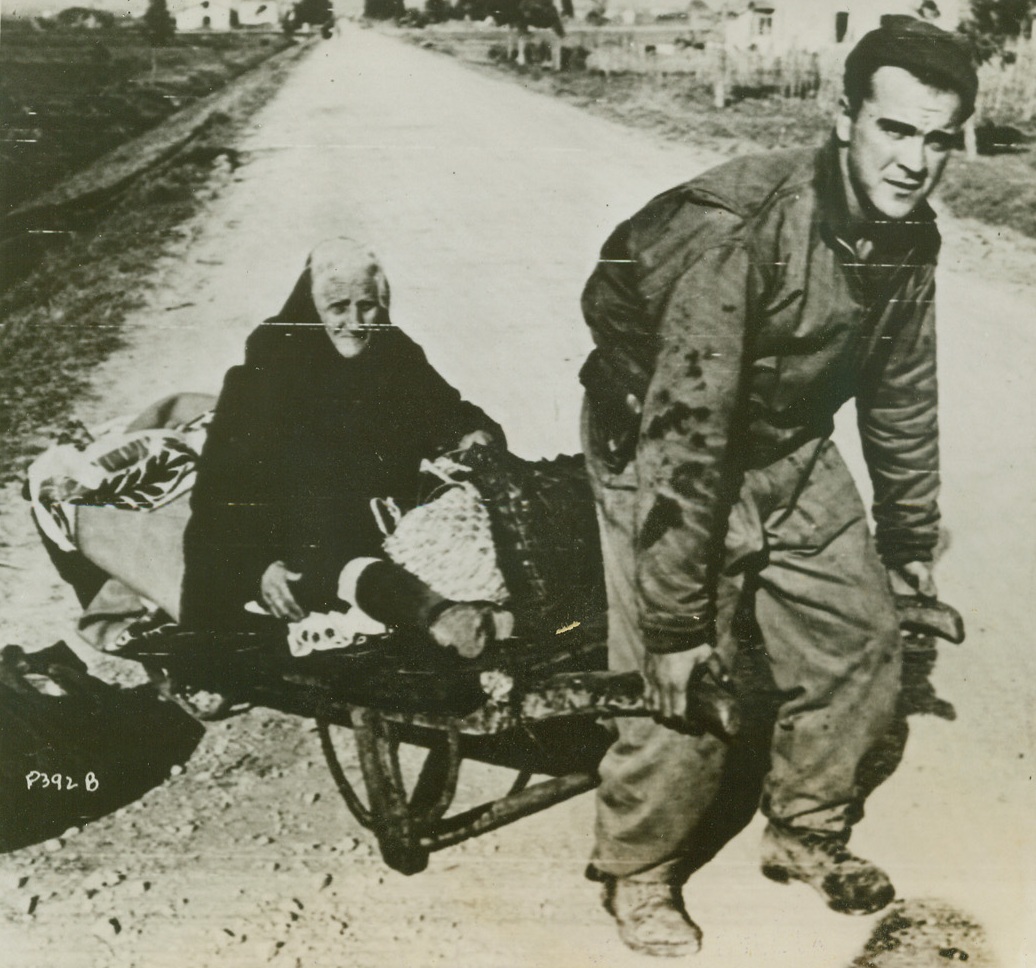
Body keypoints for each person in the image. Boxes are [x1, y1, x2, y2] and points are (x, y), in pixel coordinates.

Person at [578, 17, 975, 957]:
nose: (916, 161)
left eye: (939, 139)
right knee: (685, 680)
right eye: (896, 129)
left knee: (864, 635)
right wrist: (672, 626)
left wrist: (909, 545)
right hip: (660, 436)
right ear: (845, 118)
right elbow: (687, 433)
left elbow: (900, 391)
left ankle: (804, 829)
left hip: (786, 438)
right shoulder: (744, 228)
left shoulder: (908, 235)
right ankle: (639, 869)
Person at [180, 238, 507, 653]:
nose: (355, 321)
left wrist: (468, 434)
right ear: (311, 308)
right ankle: (448, 619)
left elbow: (447, 410)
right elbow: (220, 490)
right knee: (339, 568)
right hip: (299, 536)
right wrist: (257, 567)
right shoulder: (268, 369)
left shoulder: (393, 351)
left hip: (393, 524)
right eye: (337, 307)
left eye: (366, 305)